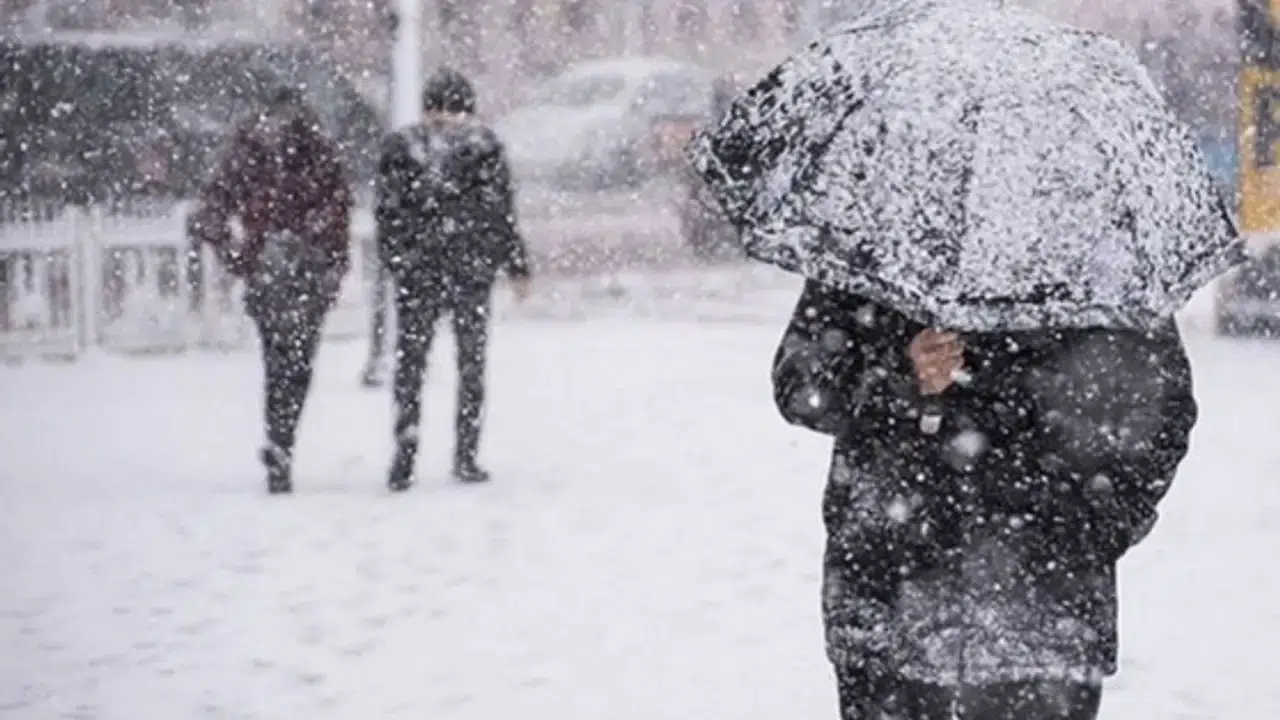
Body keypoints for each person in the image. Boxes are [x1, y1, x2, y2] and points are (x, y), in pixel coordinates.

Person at [771, 280, 1197, 719]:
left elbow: (1163, 409)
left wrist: (1093, 529)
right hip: (891, 598)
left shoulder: (1097, 252)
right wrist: (899, 373)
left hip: (1044, 620)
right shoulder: (872, 238)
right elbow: (801, 387)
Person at [375, 67, 532, 492]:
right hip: (467, 271)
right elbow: (500, 213)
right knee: (469, 363)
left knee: (413, 363)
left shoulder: (403, 147)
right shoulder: (482, 147)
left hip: (423, 271)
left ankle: (406, 450)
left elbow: (388, 214)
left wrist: (399, 259)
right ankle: (464, 454)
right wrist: (515, 264)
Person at [189, 86, 352, 494]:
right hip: (301, 267)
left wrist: (238, 253)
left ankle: (279, 440)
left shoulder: (250, 153)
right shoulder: (314, 152)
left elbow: (213, 210)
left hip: (272, 266)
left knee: (278, 360)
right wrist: (331, 261)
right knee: (296, 362)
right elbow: (338, 213)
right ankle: (283, 438)